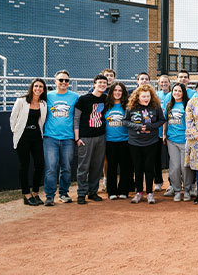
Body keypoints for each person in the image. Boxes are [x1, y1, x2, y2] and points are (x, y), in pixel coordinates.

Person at [124, 84, 166, 204]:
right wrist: (138, 126)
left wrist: (150, 126)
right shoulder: (131, 107)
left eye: (148, 96)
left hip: (151, 142)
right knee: (138, 168)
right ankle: (139, 193)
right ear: (138, 97)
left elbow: (162, 120)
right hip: (135, 142)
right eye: (143, 96)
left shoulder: (155, 107)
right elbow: (125, 121)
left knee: (149, 168)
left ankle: (149, 193)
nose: (146, 98)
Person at [43, 70, 79, 206]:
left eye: (66, 80)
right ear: (55, 81)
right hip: (50, 137)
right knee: (51, 167)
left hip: (68, 138)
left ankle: (63, 193)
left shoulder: (74, 96)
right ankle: (50, 196)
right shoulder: (48, 96)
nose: (64, 82)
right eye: (61, 80)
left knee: (67, 168)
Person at [10, 78, 47, 206]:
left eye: (41, 87)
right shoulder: (21, 101)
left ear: (43, 89)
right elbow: (13, 118)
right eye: (36, 86)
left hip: (36, 136)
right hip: (23, 136)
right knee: (24, 165)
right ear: (32, 87)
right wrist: (15, 131)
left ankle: (36, 192)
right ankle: (26, 194)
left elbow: (41, 121)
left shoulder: (43, 103)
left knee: (40, 164)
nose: (38, 88)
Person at [74, 74, 108, 204]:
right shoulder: (84, 99)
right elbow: (76, 118)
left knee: (97, 166)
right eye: (100, 83)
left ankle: (93, 192)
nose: (102, 85)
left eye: (104, 83)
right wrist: (77, 137)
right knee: (84, 167)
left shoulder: (105, 98)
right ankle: (81, 193)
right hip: (86, 138)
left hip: (100, 136)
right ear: (94, 84)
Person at [163, 83, 193, 202]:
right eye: (175, 91)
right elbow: (165, 120)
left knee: (185, 167)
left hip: (185, 140)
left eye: (179, 91)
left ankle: (186, 190)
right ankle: (176, 190)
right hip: (172, 140)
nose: (177, 93)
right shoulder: (169, 105)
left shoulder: (188, 104)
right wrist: (164, 134)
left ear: (183, 93)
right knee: (174, 167)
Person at [104, 82, 132, 200]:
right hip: (109, 141)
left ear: (123, 93)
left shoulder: (127, 106)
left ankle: (123, 190)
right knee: (111, 167)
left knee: (125, 167)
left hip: (125, 140)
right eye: (115, 90)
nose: (117, 93)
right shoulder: (106, 106)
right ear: (111, 92)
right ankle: (112, 191)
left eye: (120, 91)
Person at [156, 74, 172, 194]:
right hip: (157, 131)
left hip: (171, 132)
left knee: (172, 159)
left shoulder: (174, 94)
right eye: (161, 82)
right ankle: (158, 182)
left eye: (166, 82)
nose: (163, 84)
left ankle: (172, 183)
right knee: (157, 159)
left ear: (169, 82)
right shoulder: (156, 95)